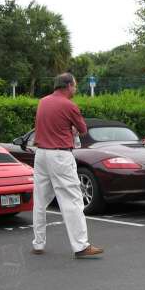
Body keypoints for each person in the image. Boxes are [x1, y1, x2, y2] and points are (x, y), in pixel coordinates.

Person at [31, 73, 103, 258]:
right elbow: (83, 129)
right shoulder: (69, 105)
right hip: (60, 155)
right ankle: (80, 246)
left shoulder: (42, 102)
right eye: (75, 86)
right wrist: (70, 129)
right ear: (68, 85)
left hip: (41, 154)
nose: (76, 89)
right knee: (72, 199)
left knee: (40, 199)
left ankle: (38, 243)